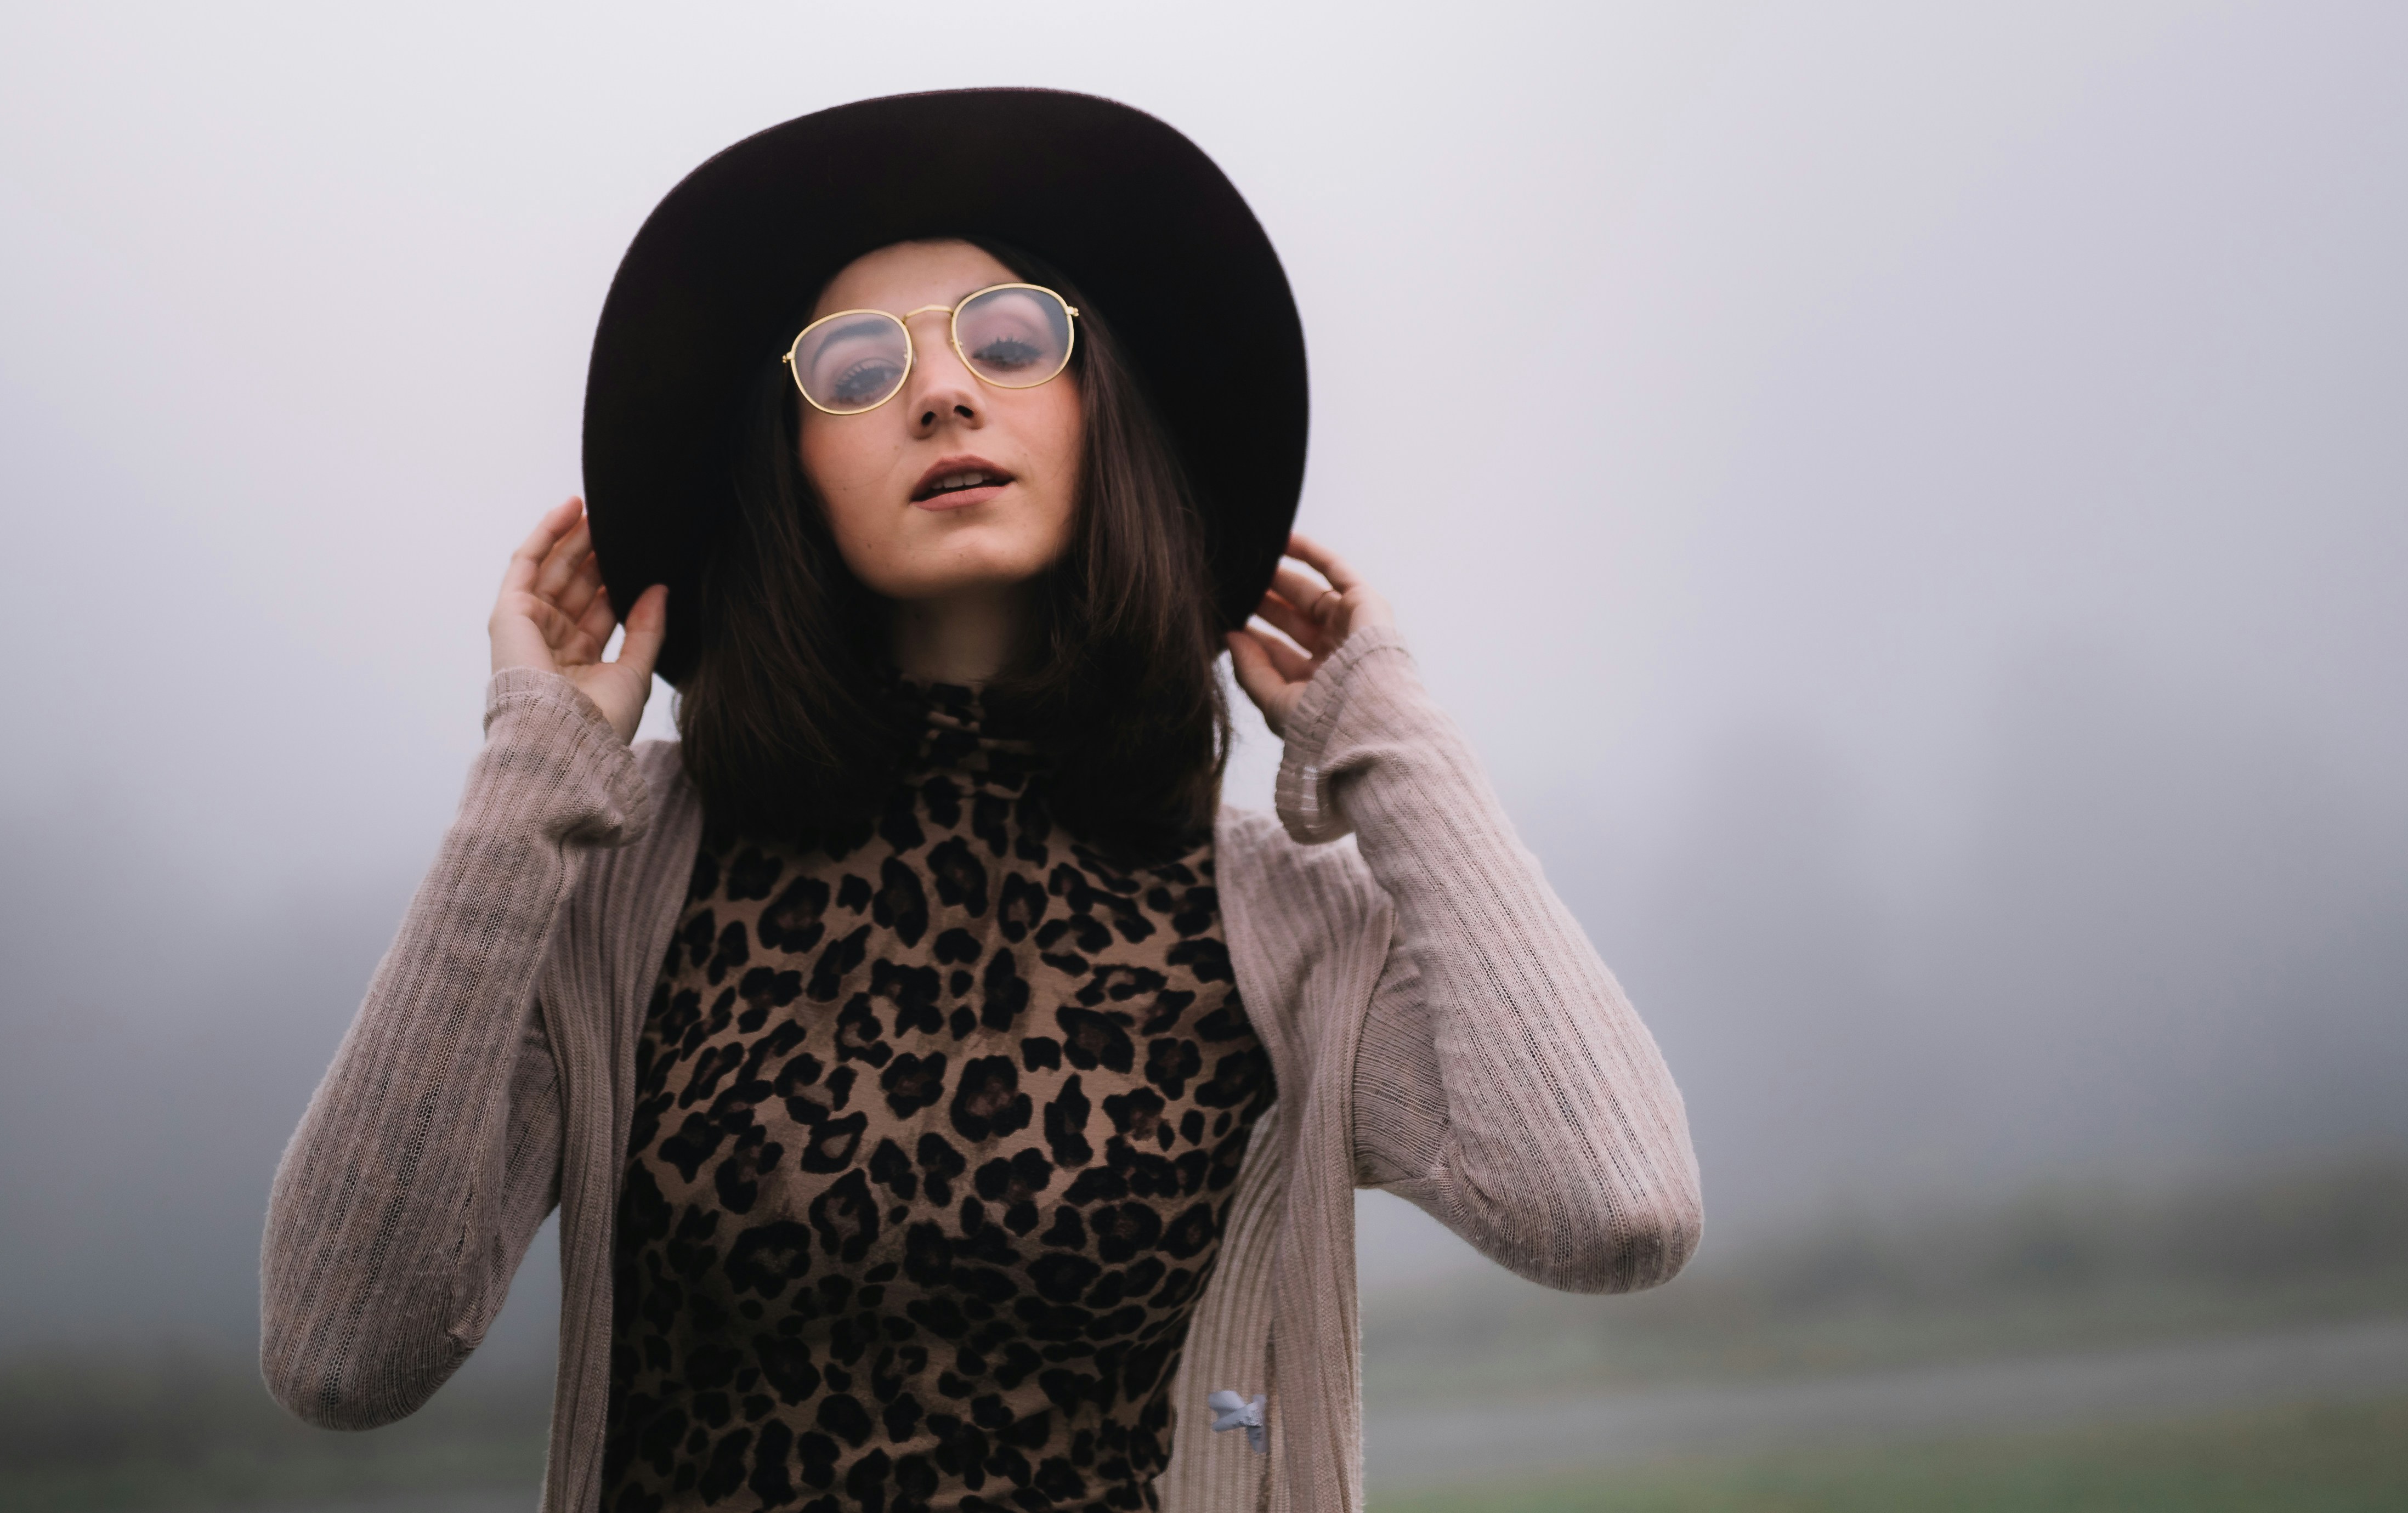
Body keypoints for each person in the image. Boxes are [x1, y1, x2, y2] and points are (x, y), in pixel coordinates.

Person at [262, 88, 1700, 1513]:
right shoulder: (618, 888)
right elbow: (340, 1350)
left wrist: (1391, 737)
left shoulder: (1277, 927)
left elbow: (1614, 1202)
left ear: (1097, 413)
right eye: (855, 365)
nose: (942, 389)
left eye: (1010, 340)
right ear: (792, 462)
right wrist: (527, 781)